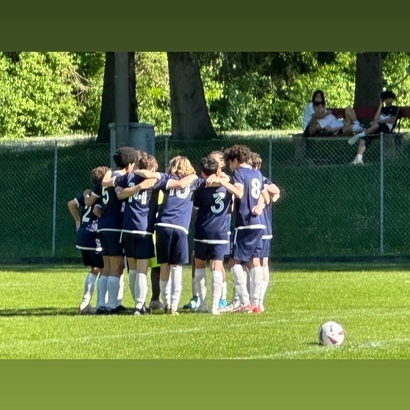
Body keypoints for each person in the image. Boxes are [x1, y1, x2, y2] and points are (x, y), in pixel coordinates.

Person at [134, 156, 201, 315]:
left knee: (164, 265)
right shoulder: (195, 181)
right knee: (176, 266)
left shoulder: (166, 178)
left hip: (162, 225)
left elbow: (148, 174)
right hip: (179, 227)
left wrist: (136, 171)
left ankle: (166, 302)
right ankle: (173, 305)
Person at [207, 144, 265, 314]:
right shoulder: (257, 172)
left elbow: (239, 193)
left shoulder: (239, 172)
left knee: (234, 261)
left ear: (234, 160)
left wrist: (221, 182)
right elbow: (262, 193)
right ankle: (256, 303)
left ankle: (245, 302)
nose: (229, 166)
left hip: (245, 221)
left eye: (229, 163)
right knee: (255, 261)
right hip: (258, 222)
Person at [103, 151, 159, 315]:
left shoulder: (128, 177)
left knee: (132, 269)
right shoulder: (155, 180)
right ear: (152, 168)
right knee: (141, 270)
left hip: (127, 228)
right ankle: (139, 306)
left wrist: (121, 189)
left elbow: (107, 183)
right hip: (144, 230)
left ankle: (137, 304)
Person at [86, 146, 136, 314]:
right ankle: (111, 305)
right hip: (115, 225)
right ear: (130, 164)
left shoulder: (107, 177)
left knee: (106, 267)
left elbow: (94, 200)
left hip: (103, 224)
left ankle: (101, 304)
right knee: (117, 266)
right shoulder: (123, 178)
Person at [191, 156, 233, 315]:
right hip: (220, 232)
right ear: (218, 171)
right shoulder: (227, 186)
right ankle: (215, 306)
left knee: (199, 266)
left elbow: (195, 211)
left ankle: (202, 303)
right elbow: (231, 208)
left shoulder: (200, 188)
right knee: (216, 267)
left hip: (202, 230)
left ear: (202, 173)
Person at [67, 166, 108, 314]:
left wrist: (78, 220)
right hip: (93, 235)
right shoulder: (101, 195)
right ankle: (95, 304)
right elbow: (97, 211)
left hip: (82, 234)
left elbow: (71, 204)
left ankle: (87, 303)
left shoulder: (88, 194)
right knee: (103, 269)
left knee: (95, 268)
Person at [348, 90, 399, 165]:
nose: (390, 100)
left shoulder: (394, 108)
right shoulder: (381, 109)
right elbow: (375, 119)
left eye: (391, 98)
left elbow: (392, 120)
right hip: (375, 128)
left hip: (386, 128)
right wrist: (380, 106)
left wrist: (378, 122)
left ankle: (360, 134)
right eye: (388, 98)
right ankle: (358, 159)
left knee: (375, 125)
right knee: (363, 139)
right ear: (384, 99)